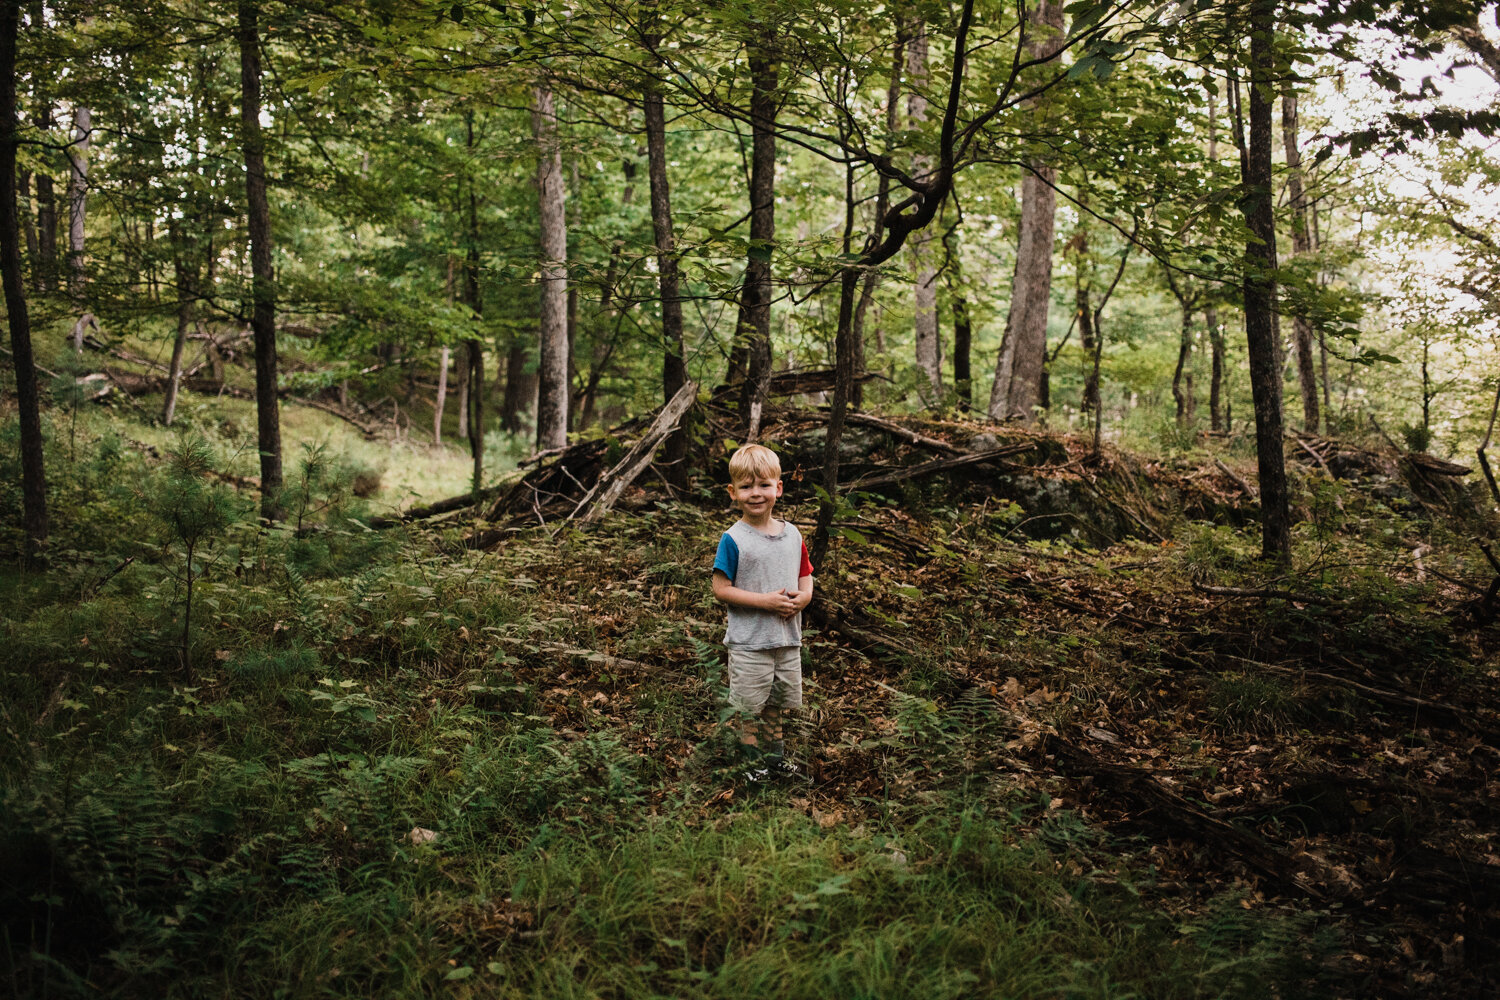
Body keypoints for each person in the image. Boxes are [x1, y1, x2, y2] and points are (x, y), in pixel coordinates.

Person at [711, 443, 814, 780]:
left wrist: (805, 598)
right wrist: (766, 602)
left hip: (786, 640)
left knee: (775, 704)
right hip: (749, 642)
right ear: (733, 492)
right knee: (749, 707)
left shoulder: (792, 535)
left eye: (764, 485)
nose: (756, 494)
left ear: (778, 488)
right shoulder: (734, 539)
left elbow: (805, 574)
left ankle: (775, 759)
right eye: (746, 487)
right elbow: (721, 589)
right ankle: (749, 763)